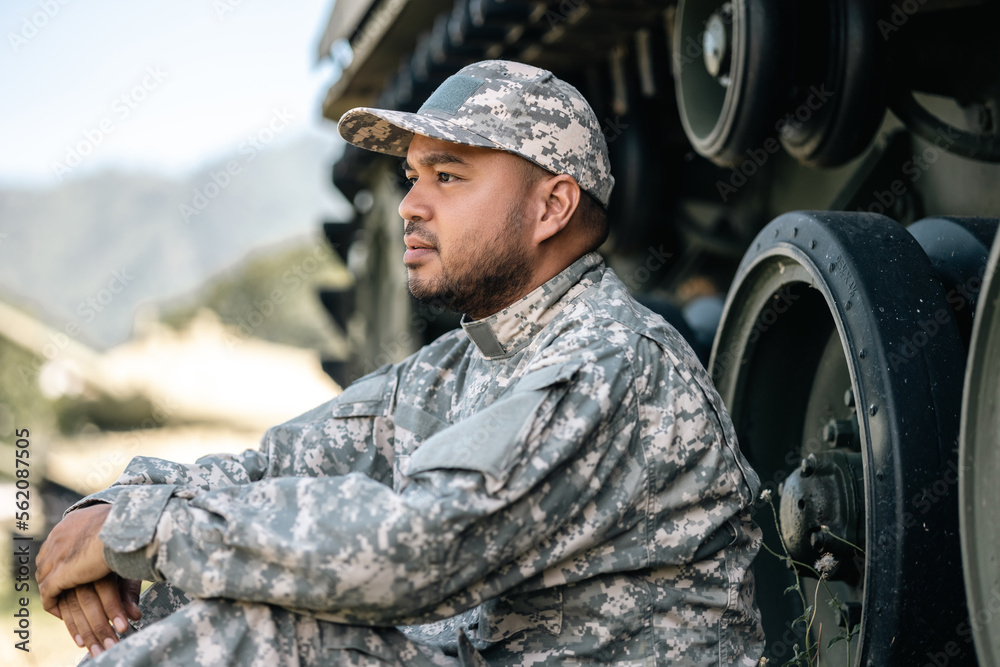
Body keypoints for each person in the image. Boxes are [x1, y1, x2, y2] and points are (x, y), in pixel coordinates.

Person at [36, 59, 765, 666]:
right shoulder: (462, 363)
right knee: (199, 586)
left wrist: (145, 530)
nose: (409, 205)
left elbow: (415, 552)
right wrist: (118, 506)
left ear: (553, 207)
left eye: (447, 176)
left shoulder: (610, 361)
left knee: (246, 630)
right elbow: (277, 463)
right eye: (413, 177)